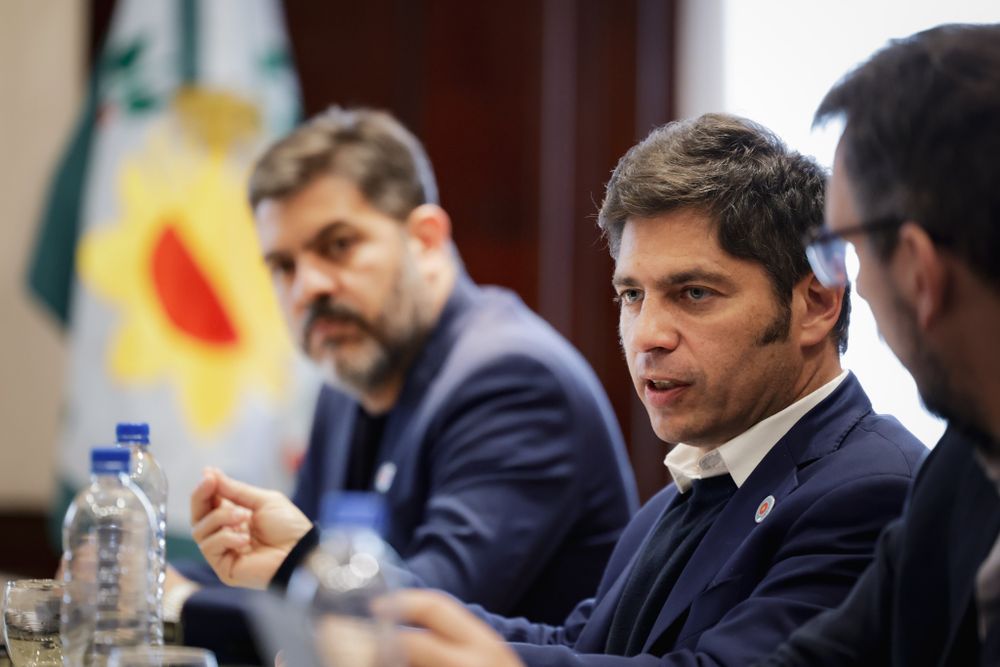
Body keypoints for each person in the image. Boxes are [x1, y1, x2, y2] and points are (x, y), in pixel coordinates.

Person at [198, 113, 928, 666]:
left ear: (817, 303)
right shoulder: (693, 486)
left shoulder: (869, 492)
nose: (648, 334)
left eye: (695, 293)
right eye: (632, 295)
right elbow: (573, 641)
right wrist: (310, 561)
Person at [174, 107, 639, 659]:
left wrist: (179, 605)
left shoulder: (514, 380)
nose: (308, 288)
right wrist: (141, 570)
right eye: (283, 265)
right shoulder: (346, 381)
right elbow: (290, 559)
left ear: (425, 239)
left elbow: (416, 617)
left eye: (338, 245)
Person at [755, 22, 1000, 667]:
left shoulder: (888, 475)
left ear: (919, 270)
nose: (851, 290)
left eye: (848, 250)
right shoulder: (964, 466)